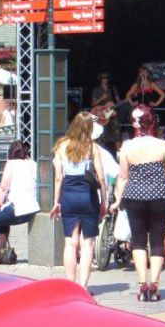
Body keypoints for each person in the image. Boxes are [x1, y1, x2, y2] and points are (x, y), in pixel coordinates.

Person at [111, 106, 165, 302]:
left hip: (135, 197)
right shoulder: (162, 145)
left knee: (138, 241)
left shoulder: (127, 146)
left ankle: (142, 285)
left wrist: (117, 200)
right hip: (161, 196)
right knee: (157, 241)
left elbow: (123, 177)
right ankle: (155, 286)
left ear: (135, 124)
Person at [50, 111, 107, 289]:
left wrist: (56, 201)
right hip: (88, 196)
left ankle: (70, 285)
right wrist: (104, 201)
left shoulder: (61, 146)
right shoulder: (93, 148)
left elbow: (59, 177)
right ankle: (83, 286)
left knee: (70, 242)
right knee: (87, 242)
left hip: (68, 194)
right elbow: (101, 177)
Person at [0, 140, 39, 264]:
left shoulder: (11, 164)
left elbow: (3, 188)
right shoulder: (33, 164)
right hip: (33, 208)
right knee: (2, 219)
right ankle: (2, 251)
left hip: (18, 208)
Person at [125, 67, 165, 136]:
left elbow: (163, 94)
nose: (143, 73)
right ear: (139, 74)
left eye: (145, 72)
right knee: (138, 128)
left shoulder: (151, 84)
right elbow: (128, 95)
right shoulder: (136, 85)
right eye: (141, 72)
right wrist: (132, 103)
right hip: (139, 110)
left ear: (147, 74)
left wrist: (156, 104)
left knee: (150, 128)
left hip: (148, 110)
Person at [91, 72, 123, 153]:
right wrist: (101, 98)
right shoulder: (96, 90)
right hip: (102, 115)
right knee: (102, 135)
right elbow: (93, 104)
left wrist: (120, 103)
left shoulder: (112, 88)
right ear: (100, 79)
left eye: (107, 78)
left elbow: (118, 101)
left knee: (117, 135)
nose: (105, 79)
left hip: (112, 114)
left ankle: (119, 155)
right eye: (103, 78)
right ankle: (101, 154)